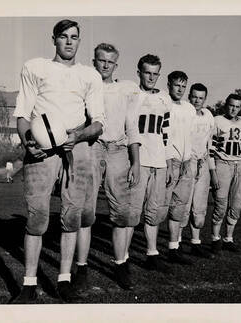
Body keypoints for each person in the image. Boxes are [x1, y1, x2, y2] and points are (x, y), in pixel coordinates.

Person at [11, 19, 105, 303]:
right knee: (37, 216)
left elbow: (99, 124)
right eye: (63, 36)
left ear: (79, 41)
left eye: (74, 37)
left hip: (76, 149)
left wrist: (77, 136)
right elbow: (23, 115)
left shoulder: (89, 76)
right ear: (54, 39)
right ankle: (29, 284)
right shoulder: (35, 67)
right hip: (41, 150)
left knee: (71, 217)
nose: (68, 42)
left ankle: (64, 280)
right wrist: (29, 140)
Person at [85, 43, 141, 291]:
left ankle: (120, 264)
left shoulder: (125, 89)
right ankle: (81, 267)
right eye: (101, 60)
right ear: (94, 61)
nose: (105, 65)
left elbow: (132, 126)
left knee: (121, 213)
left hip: (118, 149)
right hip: (92, 147)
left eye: (110, 62)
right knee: (85, 210)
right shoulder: (85, 85)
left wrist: (136, 161)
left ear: (116, 65)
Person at [129, 54, 173, 272]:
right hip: (139, 160)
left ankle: (152, 253)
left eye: (156, 74)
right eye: (147, 72)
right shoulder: (132, 94)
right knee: (133, 211)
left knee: (154, 211)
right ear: (139, 72)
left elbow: (166, 132)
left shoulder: (164, 98)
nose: (151, 77)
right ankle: (124, 256)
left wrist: (168, 160)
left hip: (159, 161)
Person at [209, 94, 241, 255]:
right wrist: (212, 171)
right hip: (223, 164)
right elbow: (210, 148)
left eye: (237, 106)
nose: (234, 109)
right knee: (220, 204)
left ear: (240, 108)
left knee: (237, 203)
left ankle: (228, 239)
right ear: (226, 105)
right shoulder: (217, 121)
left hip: (239, 165)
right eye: (231, 105)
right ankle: (215, 238)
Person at [162, 71, 196, 265]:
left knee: (179, 208)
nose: (180, 89)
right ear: (169, 85)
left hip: (185, 162)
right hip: (169, 161)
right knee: (161, 207)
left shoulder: (189, 108)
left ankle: (173, 248)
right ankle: (152, 251)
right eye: (177, 85)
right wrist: (167, 161)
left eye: (183, 86)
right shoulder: (163, 103)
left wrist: (191, 159)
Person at [181, 83, 214, 258]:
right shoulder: (184, 113)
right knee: (183, 205)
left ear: (205, 99)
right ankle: (176, 243)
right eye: (194, 97)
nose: (197, 100)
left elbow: (209, 140)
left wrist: (208, 163)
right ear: (189, 96)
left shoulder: (208, 115)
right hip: (187, 161)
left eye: (201, 98)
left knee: (199, 207)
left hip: (203, 161)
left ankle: (195, 243)